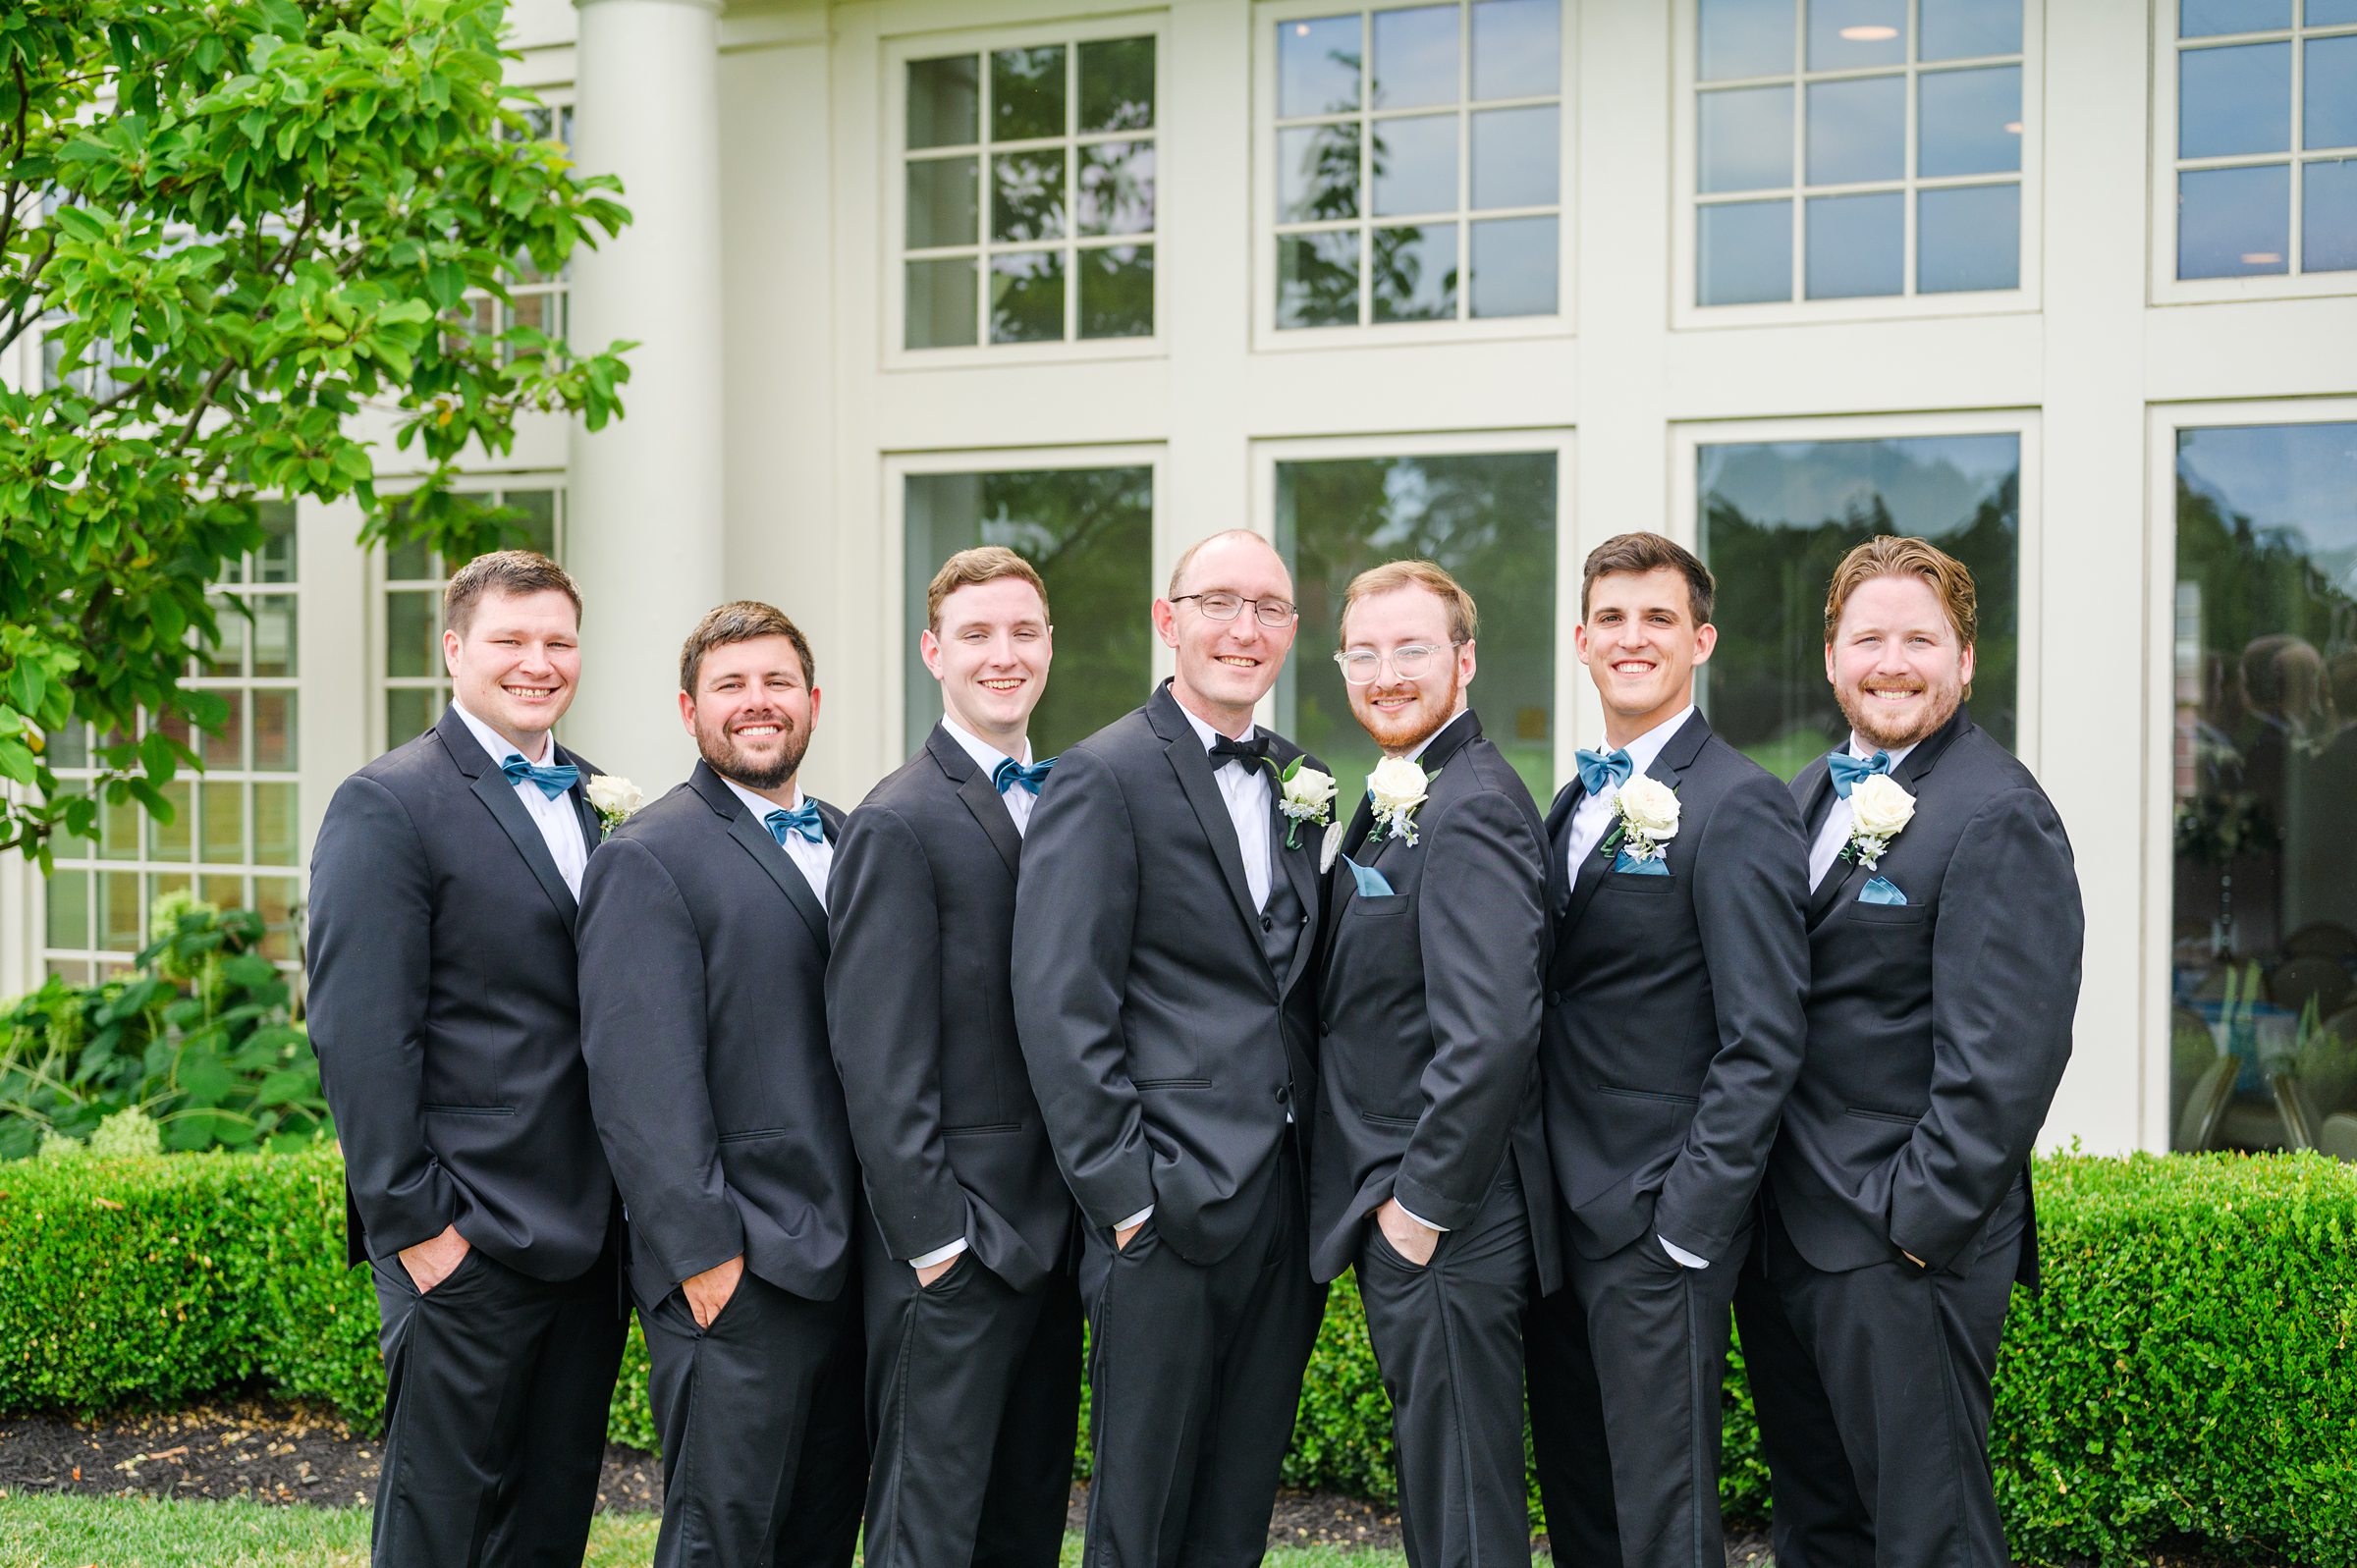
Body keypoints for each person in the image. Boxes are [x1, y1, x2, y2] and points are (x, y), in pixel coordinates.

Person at [1733, 536, 2084, 1568]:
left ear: (1966, 661)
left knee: (1928, 1537)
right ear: (1831, 657)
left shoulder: (2000, 810)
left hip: (1901, 1249)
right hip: (1789, 1237)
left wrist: (1915, 1228)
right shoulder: (1805, 795)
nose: (1893, 661)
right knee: (1821, 1525)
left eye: (1920, 638)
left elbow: (2009, 1056)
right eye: (1869, 637)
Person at [1013, 529, 1329, 1567]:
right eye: (1219, 603)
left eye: (1270, 609)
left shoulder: (1302, 780)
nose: (1245, 629)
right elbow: (1062, 1000)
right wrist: (1125, 1197)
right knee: (1140, 1518)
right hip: (1163, 1211)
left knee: (1238, 1510)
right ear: (1168, 619)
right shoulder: (1101, 775)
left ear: (1291, 631)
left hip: (1283, 1208)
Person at [307, 550, 625, 1568]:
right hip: (466, 1235)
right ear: (454, 649)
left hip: (590, 1239)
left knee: (549, 1520)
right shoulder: (388, 802)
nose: (538, 662)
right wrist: (419, 1229)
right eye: (511, 641)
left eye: (558, 642)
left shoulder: (595, 792)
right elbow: (359, 1032)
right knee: (442, 1529)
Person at [1522, 532, 1810, 1568]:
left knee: (1662, 1524)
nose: (1631, 638)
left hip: (1653, 1225)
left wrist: (1686, 1225)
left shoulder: (1737, 802)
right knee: (1584, 1508)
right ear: (1582, 638)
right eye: (1612, 618)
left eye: (1657, 618)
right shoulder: (1569, 801)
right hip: (1553, 1216)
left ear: (1701, 640)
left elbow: (1765, 1035)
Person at [576, 602, 864, 1568]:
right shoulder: (649, 855)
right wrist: (704, 1256)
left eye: (778, 682)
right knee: (721, 1543)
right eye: (732, 685)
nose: (758, 703)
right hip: (737, 1270)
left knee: (819, 1536)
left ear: (813, 702)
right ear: (690, 709)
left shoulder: (851, 835)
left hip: (854, 1262)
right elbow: (638, 1079)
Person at [826, 548, 1082, 1568]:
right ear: (935, 651)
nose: (1003, 654)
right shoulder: (899, 818)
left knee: (1023, 1519)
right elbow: (875, 1056)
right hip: (956, 1245)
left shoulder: (1072, 798)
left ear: (1050, 645)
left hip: (1057, 1236)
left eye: (1023, 631)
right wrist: (936, 1241)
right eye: (977, 634)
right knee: (924, 1530)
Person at [1309, 560, 1559, 1568]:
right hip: (1414, 1210)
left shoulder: (1476, 804)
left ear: (1462, 659)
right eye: (1363, 653)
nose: (1386, 673)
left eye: (1412, 649)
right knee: (1441, 1493)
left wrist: (1419, 1210)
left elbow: (1494, 1028)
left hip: (1448, 1223)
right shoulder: (1407, 790)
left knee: (1463, 1511)